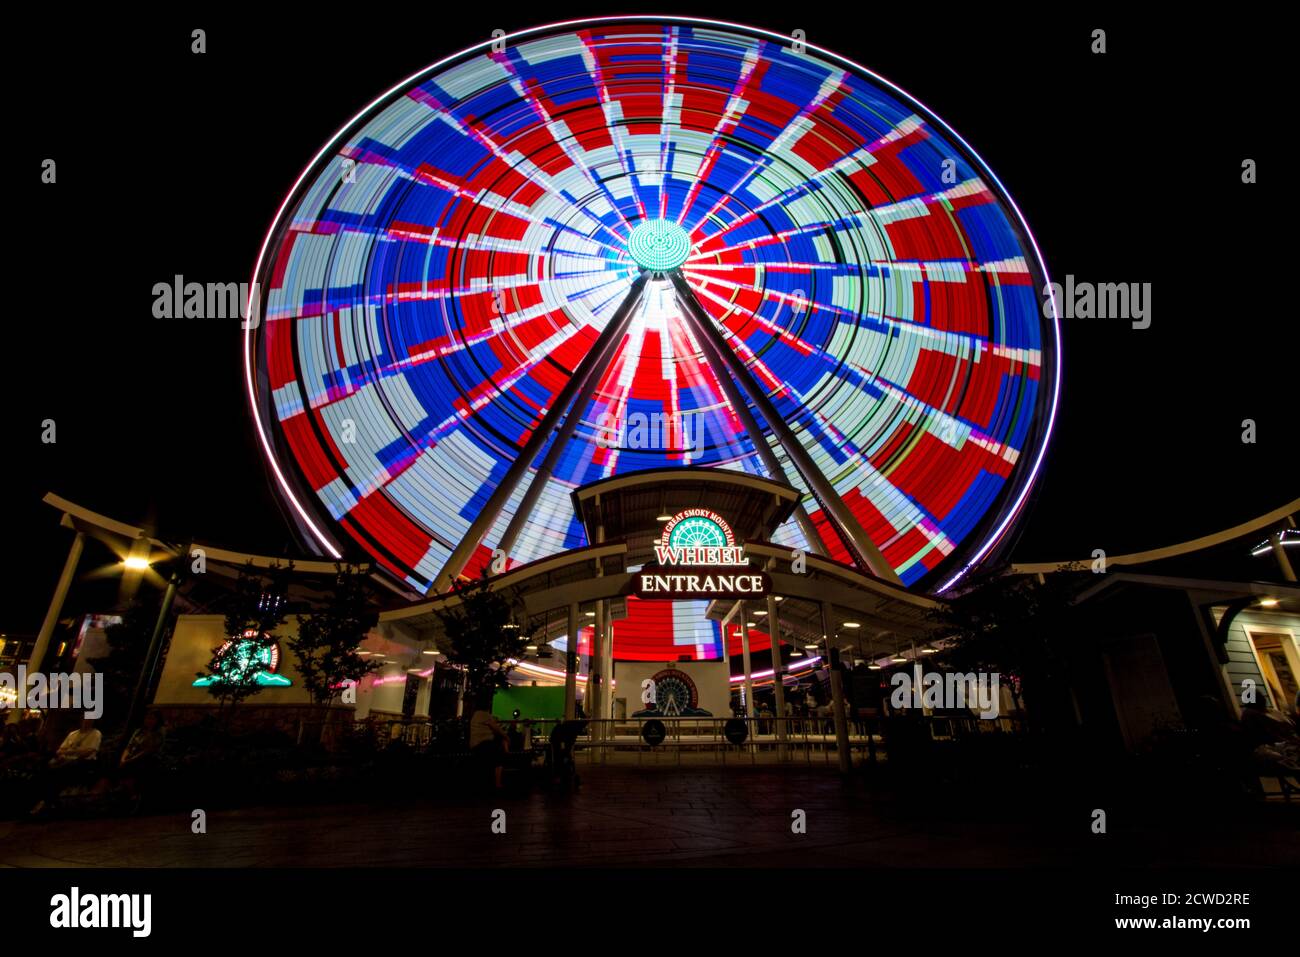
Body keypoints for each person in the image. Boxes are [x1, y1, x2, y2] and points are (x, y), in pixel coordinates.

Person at [31, 716, 101, 814]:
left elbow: (89, 751)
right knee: (44, 770)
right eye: (85, 719)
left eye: (90, 720)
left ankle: (52, 801)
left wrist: (70, 752)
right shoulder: (73, 734)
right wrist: (72, 752)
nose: (87, 721)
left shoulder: (95, 734)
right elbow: (60, 750)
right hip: (65, 760)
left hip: (83, 762)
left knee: (59, 772)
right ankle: (46, 800)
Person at [468, 697, 509, 789]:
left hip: (476, 745)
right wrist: (507, 737)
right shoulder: (484, 715)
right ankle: (498, 783)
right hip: (483, 744)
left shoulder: (476, 715)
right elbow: (497, 729)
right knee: (499, 758)